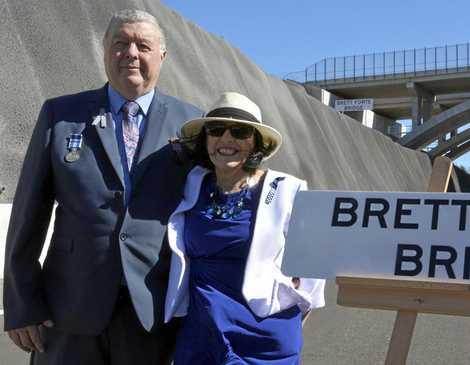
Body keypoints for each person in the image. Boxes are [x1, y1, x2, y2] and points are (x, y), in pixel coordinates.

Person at [3, 9, 203, 364]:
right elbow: (27, 216)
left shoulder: (191, 124)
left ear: (162, 56)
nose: (131, 53)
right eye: (120, 43)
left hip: (152, 315)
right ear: (105, 50)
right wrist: (21, 304)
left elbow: (213, 208)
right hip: (68, 310)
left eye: (143, 45)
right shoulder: (60, 115)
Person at [165, 91, 326, 364]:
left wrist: (289, 312)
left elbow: (312, 270)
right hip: (203, 334)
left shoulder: (286, 190)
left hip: (264, 338)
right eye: (216, 129)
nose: (226, 139)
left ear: (256, 144)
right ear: (206, 140)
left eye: (240, 131)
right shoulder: (194, 184)